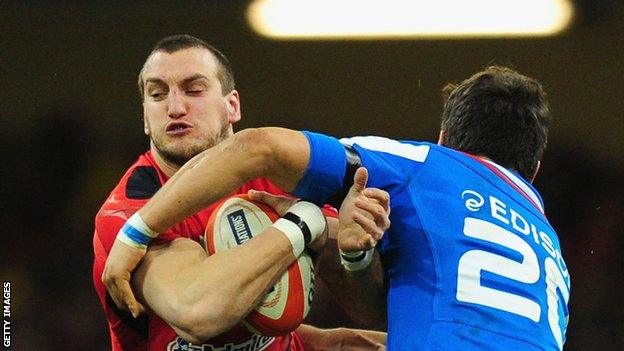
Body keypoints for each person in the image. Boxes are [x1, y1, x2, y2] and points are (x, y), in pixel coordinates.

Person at [103, 65, 571, 350]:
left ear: (445, 140)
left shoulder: (426, 165)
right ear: (534, 168)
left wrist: (136, 232)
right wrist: (354, 255)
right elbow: (392, 306)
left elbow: (260, 147)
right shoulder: (553, 255)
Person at [93, 34, 388, 350]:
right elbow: (200, 313)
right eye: (157, 94)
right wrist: (303, 222)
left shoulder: (276, 179)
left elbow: (366, 308)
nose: (175, 107)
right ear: (145, 120)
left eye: (194, 90)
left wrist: (355, 255)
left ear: (232, 106)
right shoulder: (128, 209)